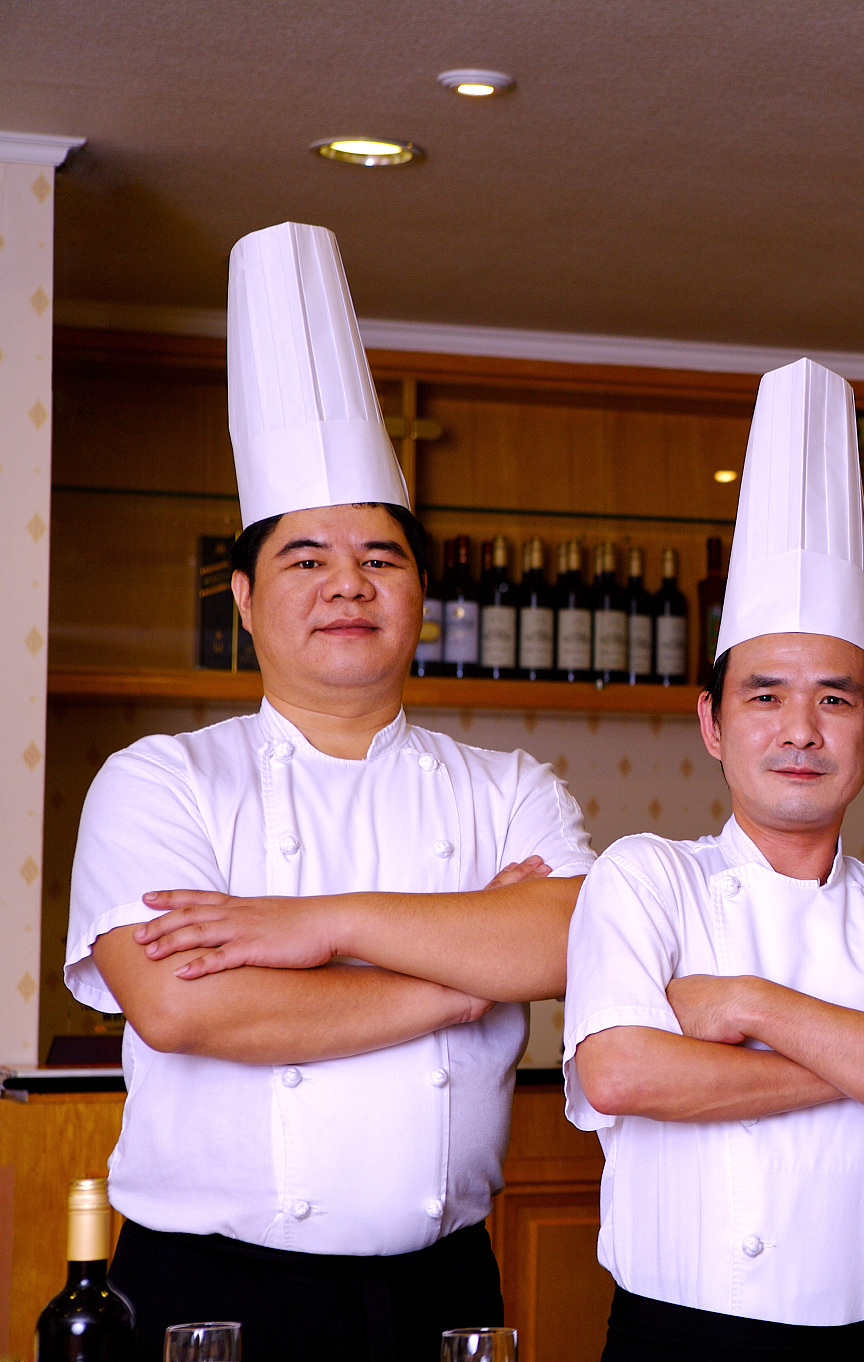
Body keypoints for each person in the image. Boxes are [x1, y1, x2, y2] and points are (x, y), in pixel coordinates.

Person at [62, 222, 593, 1362]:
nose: (347, 584)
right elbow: (185, 1009)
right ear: (246, 598)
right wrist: (454, 985)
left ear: (420, 595)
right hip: (213, 1285)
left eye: (381, 558)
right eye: (307, 559)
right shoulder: (160, 780)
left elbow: (559, 945)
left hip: (446, 1277)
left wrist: (317, 930)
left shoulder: (509, 785)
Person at [563, 358, 864, 1362]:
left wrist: (751, 1009)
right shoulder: (643, 877)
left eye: (835, 699)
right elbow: (625, 1072)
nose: (800, 729)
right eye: (764, 696)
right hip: (675, 1343)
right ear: (712, 725)